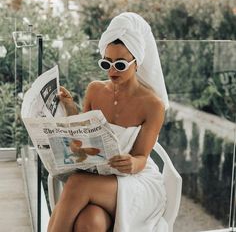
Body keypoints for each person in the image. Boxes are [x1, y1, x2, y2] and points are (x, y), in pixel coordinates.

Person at [48, 12, 169, 232]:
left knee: (76, 184)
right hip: (99, 178)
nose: (112, 71)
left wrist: (132, 163)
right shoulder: (94, 90)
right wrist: (70, 108)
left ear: (137, 63)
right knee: (90, 221)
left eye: (120, 65)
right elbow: (82, 135)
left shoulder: (153, 105)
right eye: (107, 63)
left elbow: (142, 157)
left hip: (137, 182)